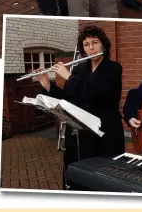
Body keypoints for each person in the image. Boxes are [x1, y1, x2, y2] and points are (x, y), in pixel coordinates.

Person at [35, 25, 125, 181]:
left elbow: (94, 94)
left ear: (103, 44)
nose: (91, 48)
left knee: (103, 181)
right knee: (79, 179)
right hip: (81, 135)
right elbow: (70, 99)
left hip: (104, 134)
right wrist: (48, 86)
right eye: (86, 44)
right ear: (83, 49)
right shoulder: (79, 69)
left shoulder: (113, 69)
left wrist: (69, 78)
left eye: (95, 42)